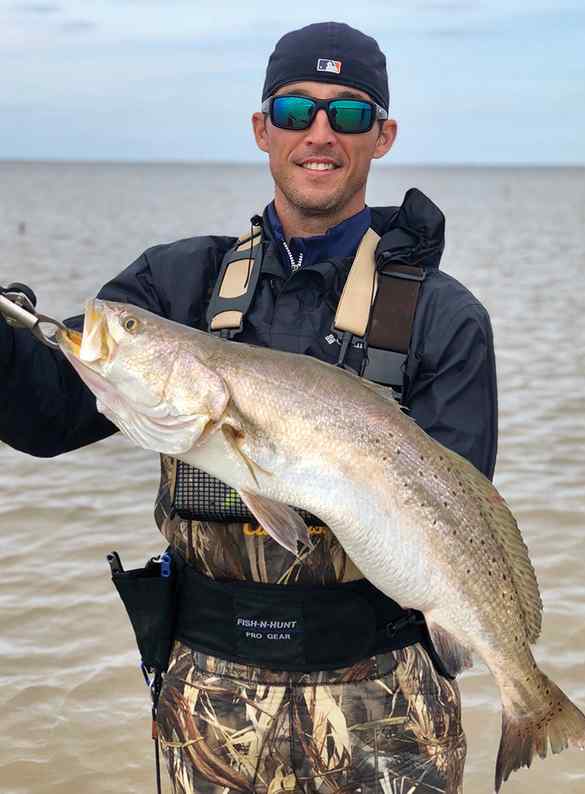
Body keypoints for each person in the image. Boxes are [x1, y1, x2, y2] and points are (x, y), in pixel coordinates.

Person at [0, 22, 497, 794]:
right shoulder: (176, 286)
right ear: (263, 129)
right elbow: (42, 415)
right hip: (209, 713)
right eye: (296, 111)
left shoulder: (445, 317)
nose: (320, 134)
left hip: (389, 711)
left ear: (384, 136)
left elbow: (462, 515)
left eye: (351, 115)